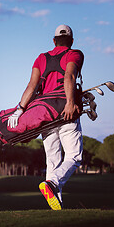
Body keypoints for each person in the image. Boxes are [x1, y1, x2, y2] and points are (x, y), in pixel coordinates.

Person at [7, 25, 84, 210]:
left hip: (45, 115)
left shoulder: (41, 58)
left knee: (52, 159)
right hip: (65, 112)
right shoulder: (75, 54)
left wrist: (19, 109)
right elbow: (70, 77)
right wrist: (70, 102)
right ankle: (53, 183)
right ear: (71, 41)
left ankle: (56, 206)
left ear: (53, 40)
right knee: (74, 156)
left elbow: (32, 86)